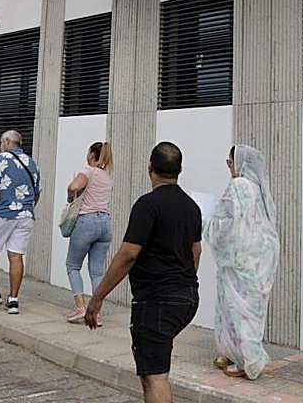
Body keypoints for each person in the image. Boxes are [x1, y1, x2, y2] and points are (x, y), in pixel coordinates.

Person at [85, 142, 201, 403]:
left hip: (157, 301)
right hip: (187, 298)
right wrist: (185, 283)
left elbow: (128, 254)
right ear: (180, 169)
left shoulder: (147, 205)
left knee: (155, 376)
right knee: (151, 370)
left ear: (150, 167)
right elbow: (196, 251)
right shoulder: (191, 207)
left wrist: (98, 297)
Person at [203, 144, 280, 379]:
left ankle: (249, 361)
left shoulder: (239, 185)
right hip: (260, 257)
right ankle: (231, 353)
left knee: (238, 309)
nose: (229, 167)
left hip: (241, 259)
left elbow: (229, 224)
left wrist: (206, 220)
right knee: (248, 308)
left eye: (230, 162)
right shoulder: (259, 189)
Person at [0, 130, 41, 314]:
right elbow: (36, 193)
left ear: (6, 141)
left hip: (3, 212)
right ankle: (13, 301)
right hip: (25, 215)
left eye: (0, 143)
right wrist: (25, 207)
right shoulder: (32, 162)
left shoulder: (1, 158)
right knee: (16, 255)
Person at [64, 141, 114, 323]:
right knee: (97, 272)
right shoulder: (107, 176)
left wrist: (70, 198)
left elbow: (73, 187)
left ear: (92, 154)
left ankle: (80, 308)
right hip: (105, 223)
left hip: (87, 221)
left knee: (73, 266)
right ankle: (96, 313)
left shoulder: (89, 171)